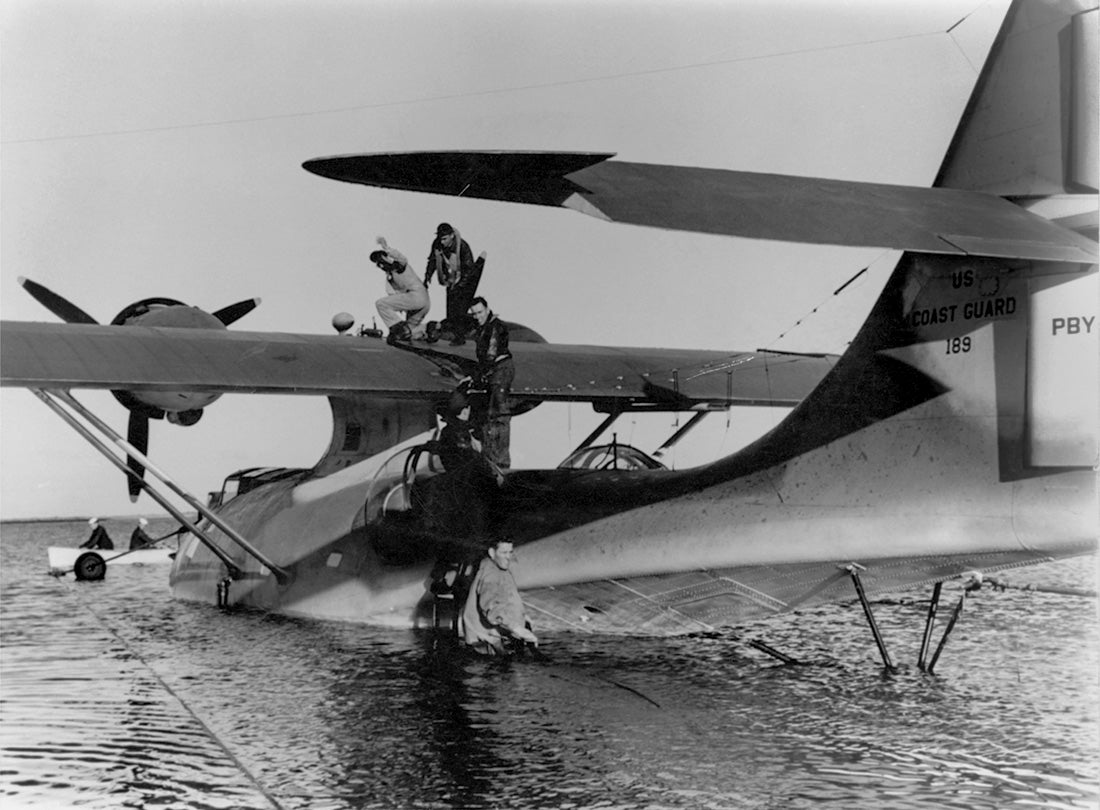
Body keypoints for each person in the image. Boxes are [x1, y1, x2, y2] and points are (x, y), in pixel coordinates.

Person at [461, 537, 537, 655]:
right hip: (485, 643)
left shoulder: (500, 568)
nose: (508, 557)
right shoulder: (490, 573)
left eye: (510, 552)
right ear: (492, 553)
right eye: (504, 552)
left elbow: (506, 597)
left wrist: (522, 616)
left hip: (496, 637)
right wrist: (518, 630)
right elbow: (492, 611)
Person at [469, 296, 514, 468]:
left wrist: (478, 375)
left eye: (479, 312)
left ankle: (500, 463)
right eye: (474, 314)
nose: (477, 316)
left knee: (498, 414)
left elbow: (490, 354)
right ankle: (492, 460)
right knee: (491, 414)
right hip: (493, 370)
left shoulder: (495, 327)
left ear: (487, 310)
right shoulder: (484, 326)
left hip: (499, 369)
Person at [424, 223, 486, 344]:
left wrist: (460, 286)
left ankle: (467, 334)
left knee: (460, 309)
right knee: (451, 310)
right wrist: (427, 275)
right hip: (451, 280)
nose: (442, 242)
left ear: (452, 236)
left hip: (466, 280)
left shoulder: (463, 246)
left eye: (444, 239)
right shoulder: (437, 244)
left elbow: (469, 270)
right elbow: (432, 260)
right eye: (440, 239)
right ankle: (459, 334)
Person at [372, 236, 430, 342]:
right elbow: (393, 296)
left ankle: (398, 330)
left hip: (415, 296)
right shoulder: (390, 276)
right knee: (409, 332)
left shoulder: (399, 266)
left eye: (380, 262)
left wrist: (386, 248)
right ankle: (429, 329)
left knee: (380, 304)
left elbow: (402, 258)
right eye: (378, 264)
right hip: (424, 302)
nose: (380, 266)